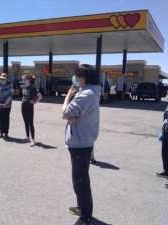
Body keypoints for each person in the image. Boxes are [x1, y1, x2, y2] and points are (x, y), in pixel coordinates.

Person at [62, 64, 101, 225]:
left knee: (79, 181)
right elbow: (70, 114)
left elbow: (65, 113)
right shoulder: (86, 92)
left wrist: (67, 97)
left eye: (77, 76)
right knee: (81, 178)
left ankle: (85, 216)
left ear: (83, 77)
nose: (75, 79)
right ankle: (82, 207)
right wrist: (70, 111)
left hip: (80, 143)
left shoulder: (86, 95)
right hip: (81, 141)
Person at [21, 74, 42, 147]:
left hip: (29, 106)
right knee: (25, 122)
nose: (22, 80)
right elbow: (24, 96)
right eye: (22, 79)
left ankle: (33, 139)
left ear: (28, 79)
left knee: (30, 123)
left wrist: (35, 102)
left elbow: (40, 96)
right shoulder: (24, 87)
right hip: (23, 106)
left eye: (24, 79)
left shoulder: (32, 87)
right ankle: (27, 137)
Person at [0, 73, 13, 139]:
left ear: (6, 80)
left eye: (3, 79)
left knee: (6, 119)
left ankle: (6, 133)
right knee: (0, 119)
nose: (1, 80)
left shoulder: (10, 86)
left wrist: (5, 104)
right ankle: (1, 132)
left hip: (6, 106)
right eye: (0, 79)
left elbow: (10, 96)